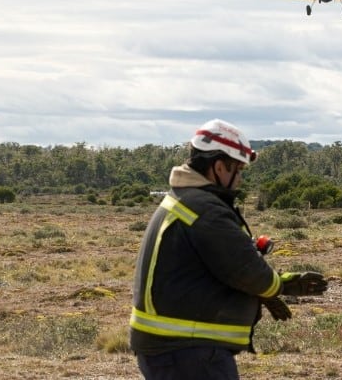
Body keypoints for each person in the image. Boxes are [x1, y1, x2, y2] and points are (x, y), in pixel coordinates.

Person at [130, 118, 328, 380]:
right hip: (188, 350)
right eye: (238, 170)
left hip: (172, 347)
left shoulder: (185, 200)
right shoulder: (205, 209)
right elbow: (247, 271)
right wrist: (279, 285)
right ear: (219, 167)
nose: (240, 180)